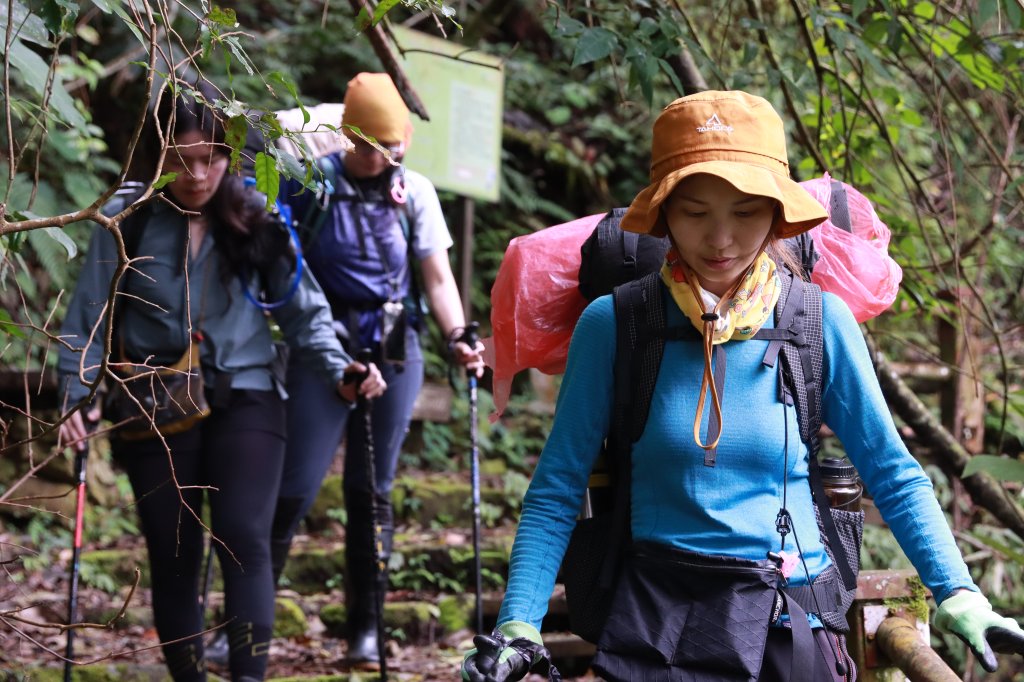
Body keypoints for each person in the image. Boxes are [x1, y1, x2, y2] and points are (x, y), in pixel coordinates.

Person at [462, 90, 1024, 681]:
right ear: (663, 214)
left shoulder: (817, 321)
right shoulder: (615, 324)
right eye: (696, 213)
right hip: (657, 620)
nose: (720, 239)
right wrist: (518, 623)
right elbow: (558, 485)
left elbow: (892, 470)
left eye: (747, 212)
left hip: (790, 616)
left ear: (779, 215)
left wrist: (958, 592)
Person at [57, 79, 385, 682]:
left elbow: (302, 309)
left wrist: (340, 369)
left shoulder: (254, 215)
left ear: (230, 153)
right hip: (154, 401)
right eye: (182, 160)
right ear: (157, 155)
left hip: (248, 395)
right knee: (174, 553)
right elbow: (88, 317)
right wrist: (75, 395)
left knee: (242, 538)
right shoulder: (123, 219)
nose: (199, 175)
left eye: (212, 158)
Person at [267, 72, 484, 669]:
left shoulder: (414, 192)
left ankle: (366, 628)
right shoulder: (310, 184)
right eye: (367, 145)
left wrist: (459, 336)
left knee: (372, 491)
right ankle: (248, 622)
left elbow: (436, 278)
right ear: (345, 137)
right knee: (295, 486)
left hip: (394, 348)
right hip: (323, 347)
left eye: (391, 145)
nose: (380, 157)